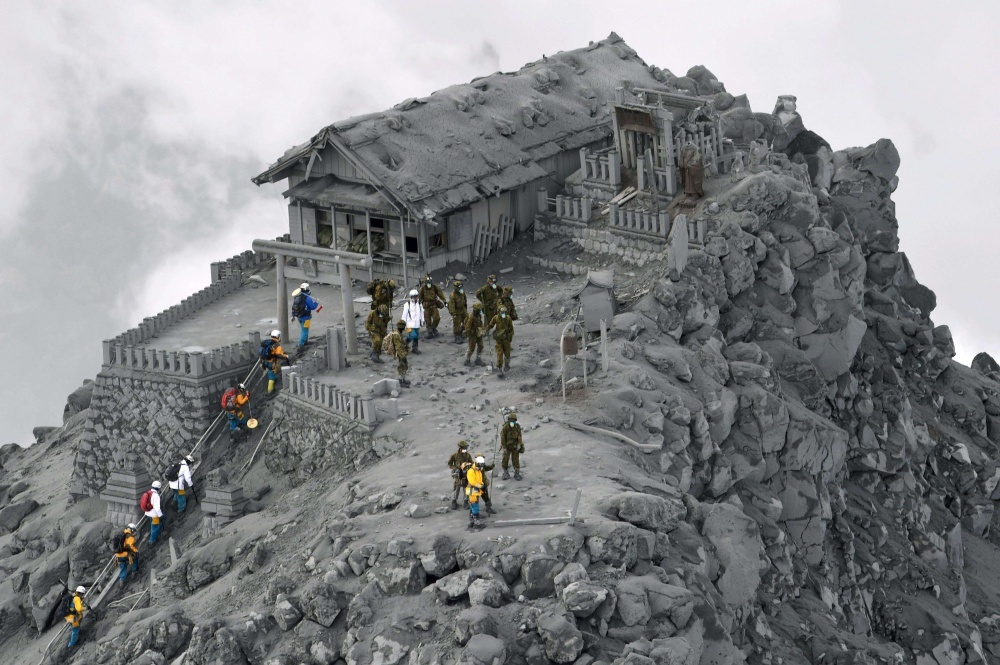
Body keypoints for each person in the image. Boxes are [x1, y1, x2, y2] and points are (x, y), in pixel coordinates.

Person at [291, 283, 323, 350]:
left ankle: (305, 342)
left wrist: (293, 315)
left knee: (303, 330)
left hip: (299, 317)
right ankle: (301, 344)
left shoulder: (297, 296)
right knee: (305, 331)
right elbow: (313, 307)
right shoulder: (308, 298)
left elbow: (294, 307)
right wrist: (316, 302)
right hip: (306, 318)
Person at [486, 305, 515, 377]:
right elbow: (491, 325)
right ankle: (499, 368)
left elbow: (511, 329)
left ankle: (507, 364)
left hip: (506, 339)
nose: (503, 313)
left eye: (504, 312)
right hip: (499, 339)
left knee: (507, 353)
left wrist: (510, 337)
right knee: (499, 353)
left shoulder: (508, 318)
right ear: (498, 312)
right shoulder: (495, 318)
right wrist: (486, 329)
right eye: (502, 312)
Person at [261, 329, 291, 397]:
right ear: (278, 336)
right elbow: (279, 355)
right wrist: (285, 356)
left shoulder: (268, 343)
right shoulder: (277, 345)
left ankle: (271, 380)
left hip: (265, 361)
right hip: (272, 363)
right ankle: (270, 391)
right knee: (271, 378)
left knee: (270, 372)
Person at [447, 440, 474, 510]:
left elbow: (471, 462)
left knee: (466, 487)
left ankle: (465, 501)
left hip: (466, 474)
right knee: (456, 487)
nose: (465, 449)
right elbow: (450, 463)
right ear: (460, 448)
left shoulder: (468, 455)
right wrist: (455, 468)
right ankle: (454, 501)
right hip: (458, 474)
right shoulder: (454, 455)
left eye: (466, 448)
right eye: (464, 448)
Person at [418, 274, 447, 339]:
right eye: (428, 282)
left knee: (437, 318)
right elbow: (419, 298)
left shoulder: (434, 287)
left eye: (430, 282)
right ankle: (429, 331)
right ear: (425, 283)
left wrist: (444, 300)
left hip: (434, 306)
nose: (429, 284)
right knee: (428, 321)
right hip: (426, 307)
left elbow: (440, 294)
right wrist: (417, 306)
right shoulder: (422, 289)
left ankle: (433, 328)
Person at [385, 319, 411, 388]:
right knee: (401, 366)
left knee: (404, 366)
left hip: (401, 352)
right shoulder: (397, 335)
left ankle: (403, 379)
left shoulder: (399, 333)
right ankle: (400, 381)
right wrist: (403, 357)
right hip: (400, 353)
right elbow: (398, 347)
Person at [500, 412, 524, 480]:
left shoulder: (517, 426)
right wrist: (504, 447)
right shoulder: (505, 427)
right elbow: (502, 437)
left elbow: (519, 436)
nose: (512, 421)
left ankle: (517, 473)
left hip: (515, 446)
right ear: (509, 420)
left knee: (516, 460)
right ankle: (505, 473)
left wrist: (519, 444)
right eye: (511, 420)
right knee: (505, 459)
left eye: (513, 420)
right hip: (507, 447)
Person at [402, 289, 425, 355]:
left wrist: (422, 320)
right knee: (412, 335)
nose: (415, 298)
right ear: (411, 297)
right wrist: (403, 324)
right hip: (409, 325)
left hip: (417, 324)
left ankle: (415, 348)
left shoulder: (419, 303)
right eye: (414, 296)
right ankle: (404, 344)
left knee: (416, 336)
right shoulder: (407, 304)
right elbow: (404, 315)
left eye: (416, 296)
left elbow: (421, 312)